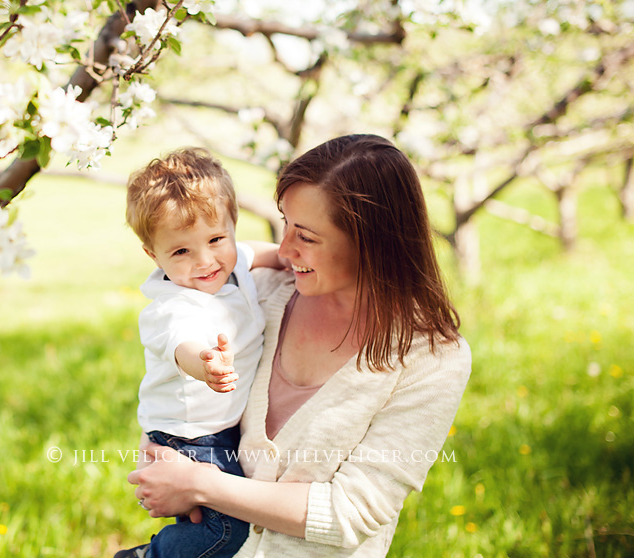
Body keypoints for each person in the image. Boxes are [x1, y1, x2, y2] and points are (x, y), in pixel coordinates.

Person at [125, 134, 472, 558]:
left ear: (370, 241)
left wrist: (199, 484)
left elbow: (351, 512)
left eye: (305, 236)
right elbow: (174, 351)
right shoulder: (264, 293)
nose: (285, 248)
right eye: (284, 223)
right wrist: (158, 452)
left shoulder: (430, 358)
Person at [120, 147, 284, 558]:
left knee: (207, 522)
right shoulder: (172, 305)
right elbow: (183, 346)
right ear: (152, 255)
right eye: (181, 252)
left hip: (220, 426)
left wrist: (289, 259)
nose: (205, 260)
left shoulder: (234, 262)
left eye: (216, 239)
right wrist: (205, 365)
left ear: (231, 227)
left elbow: (257, 253)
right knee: (230, 530)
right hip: (190, 437)